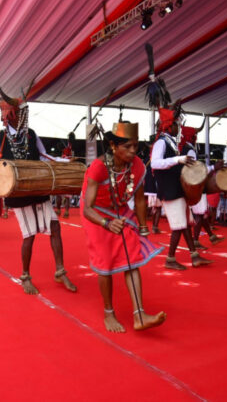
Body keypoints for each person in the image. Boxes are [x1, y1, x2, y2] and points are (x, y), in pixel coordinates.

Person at [0, 88, 76, 294]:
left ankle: (60, 272)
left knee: (55, 227)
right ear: (12, 116)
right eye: (22, 113)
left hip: (38, 189)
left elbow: (43, 157)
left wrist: (64, 162)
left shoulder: (31, 134)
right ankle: (25, 276)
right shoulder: (0, 138)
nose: (26, 116)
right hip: (18, 195)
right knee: (29, 235)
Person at [81, 122, 166, 332]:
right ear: (113, 145)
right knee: (105, 262)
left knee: (132, 259)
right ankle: (108, 313)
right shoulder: (98, 167)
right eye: (127, 146)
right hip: (96, 212)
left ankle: (140, 315)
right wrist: (106, 224)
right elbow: (87, 208)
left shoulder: (137, 165)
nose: (133, 151)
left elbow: (139, 199)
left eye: (135, 146)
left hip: (119, 208)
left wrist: (143, 227)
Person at [151, 107, 212, 270]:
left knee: (185, 225)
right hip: (170, 191)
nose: (179, 128)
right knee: (179, 226)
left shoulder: (170, 142)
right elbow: (154, 163)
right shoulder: (161, 142)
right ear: (169, 126)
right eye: (177, 125)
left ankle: (195, 256)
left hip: (177, 190)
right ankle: (170, 259)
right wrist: (178, 160)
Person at [179, 121, 225, 248]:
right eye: (195, 136)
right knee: (200, 214)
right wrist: (213, 167)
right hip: (196, 186)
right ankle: (195, 241)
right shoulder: (190, 151)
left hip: (187, 186)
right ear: (192, 137)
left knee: (202, 214)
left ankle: (211, 236)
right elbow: (196, 171)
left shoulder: (181, 149)